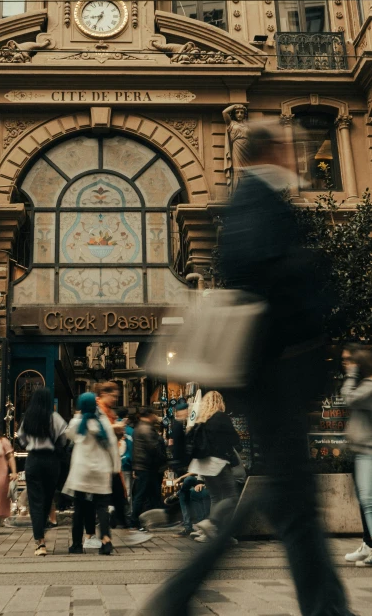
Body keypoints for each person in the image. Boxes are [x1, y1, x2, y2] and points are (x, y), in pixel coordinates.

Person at [144, 121, 355, 616]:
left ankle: (322, 607)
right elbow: (261, 270)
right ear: (271, 152)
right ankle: (177, 596)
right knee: (289, 499)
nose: (299, 158)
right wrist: (318, 299)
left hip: (268, 372)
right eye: (290, 149)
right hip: (275, 371)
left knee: (290, 501)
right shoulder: (258, 199)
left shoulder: (255, 200)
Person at [63, 392, 120, 556]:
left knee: (79, 508)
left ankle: (76, 544)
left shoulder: (77, 422)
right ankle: (106, 540)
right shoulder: (102, 422)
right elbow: (112, 446)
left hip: (82, 471)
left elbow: (68, 435)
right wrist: (115, 467)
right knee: (102, 507)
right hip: (101, 470)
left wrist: (79, 414)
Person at [18, 387, 67, 557]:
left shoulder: (28, 418)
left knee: (35, 501)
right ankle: (42, 532)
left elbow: (21, 440)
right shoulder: (55, 418)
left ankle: (39, 542)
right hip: (51, 461)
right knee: (47, 500)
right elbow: (63, 439)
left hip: (33, 460)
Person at [186, 390, 240, 540]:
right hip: (218, 462)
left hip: (202, 463)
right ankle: (211, 522)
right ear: (220, 402)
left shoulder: (201, 419)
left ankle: (211, 534)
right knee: (231, 496)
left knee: (215, 497)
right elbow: (234, 439)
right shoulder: (221, 417)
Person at [341, 345, 372, 567]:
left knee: (368, 501)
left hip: (368, 450)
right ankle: (368, 544)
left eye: (349, 360)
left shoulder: (369, 386)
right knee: (366, 501)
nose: (345, 364)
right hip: (363, 449)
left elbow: (348, 398)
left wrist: (351, 375)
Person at [96, 382, 129, 528]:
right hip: (103, 462)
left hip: (111, 462)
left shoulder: (110, 413)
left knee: (118, 497)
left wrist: (118, 432)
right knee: (110, 498)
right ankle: (105, 534)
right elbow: (96, 432)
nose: (115, 399)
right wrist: (114, 428)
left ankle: (119, 527)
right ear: (104, 394)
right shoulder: (98, 411)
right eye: (114, 396)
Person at [131, 408, 165, 530]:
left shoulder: (139, 428)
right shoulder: (146, 429)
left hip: (142, 465)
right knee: (141, 495)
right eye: (154, 414)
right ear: (149, 415)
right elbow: (154, 448)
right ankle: (135, 520)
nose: (155, 416)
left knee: (147, 494)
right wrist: (163, 459)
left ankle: (155, 519)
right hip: (147, 466)